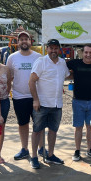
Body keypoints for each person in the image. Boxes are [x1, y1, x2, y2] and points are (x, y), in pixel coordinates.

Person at [28, 39, 70, 168]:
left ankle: (50, 154)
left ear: (59, 49)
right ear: (47, 49)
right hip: (42, 104)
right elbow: (31, 81)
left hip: (57, 104)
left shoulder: (62, 63)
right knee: (37, 131)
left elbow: (68, 76)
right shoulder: (41, 62)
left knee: (53, 131)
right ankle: (34, 157)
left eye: (56, 48)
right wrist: (35, 99)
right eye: (51, 48)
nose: (53, 50)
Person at [6, 31, 42, 161]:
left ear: (30, 41)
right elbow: (9, 76)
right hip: (19, 97)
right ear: (17, 42)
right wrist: (6, 92)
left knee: (39, 124)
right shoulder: (12, 58)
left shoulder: (38, 57)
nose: (24, 41)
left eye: (26, 39)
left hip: (36, 97)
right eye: (21, 39)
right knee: (23, 123)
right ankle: (24, 148)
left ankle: (41, 148)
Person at [67, 44, 91, 161]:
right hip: (78, 101)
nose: (88, 55)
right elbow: (60, 66)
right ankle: (77, 151)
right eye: (86, 52)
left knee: (90, 127)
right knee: (78, 127)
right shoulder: (74, 63)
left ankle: (89, 149)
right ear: (82, 53)